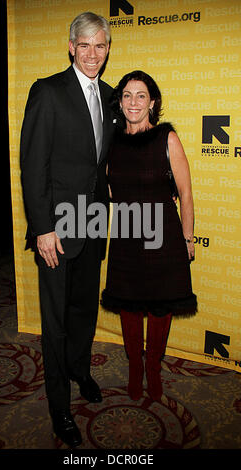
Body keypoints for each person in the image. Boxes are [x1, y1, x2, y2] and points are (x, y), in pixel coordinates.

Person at [20, 12, 115, 448]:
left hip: (93, 225)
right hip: (56, 230)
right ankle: (58, 404)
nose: (92, 53)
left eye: (101, 45)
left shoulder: (111, 97)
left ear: (108, 49)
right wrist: (42, 228)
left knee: (83, 312)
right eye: (85, 45)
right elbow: (32, 164)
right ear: (71, 47)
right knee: (55, 320)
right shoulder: (48, 91)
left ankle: (80, 370)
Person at [101, 70, 197, 402]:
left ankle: (153, 368)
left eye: (141, 95)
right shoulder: (111, 142)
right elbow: (110, 189)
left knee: (160, 307)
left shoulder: (167, 139)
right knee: (128, 306)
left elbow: (185, 193)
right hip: (128, 234)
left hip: (164, 236)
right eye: (127, 95)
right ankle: (134, 369)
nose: (133, 102)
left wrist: (188, 238)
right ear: (120, 101)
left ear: (152, 102)